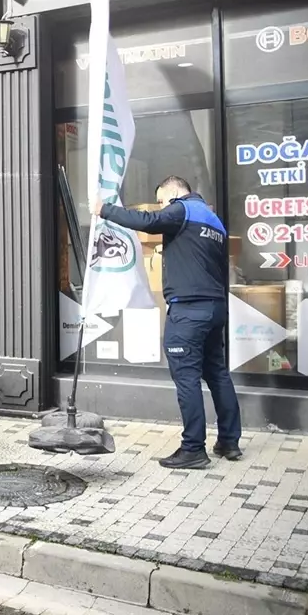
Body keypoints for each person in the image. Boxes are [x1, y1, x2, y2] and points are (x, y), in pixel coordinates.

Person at [92, 175, 242, 469]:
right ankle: (229, 441)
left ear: (174, 193)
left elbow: (148, 221)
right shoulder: (214, 221)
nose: (162, 207)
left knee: (187, 378)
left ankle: (193, 449)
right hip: (215, 308)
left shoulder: (183, 208)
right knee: (217, 374)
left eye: (162, 201)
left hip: (188, 310)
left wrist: (104, 210)